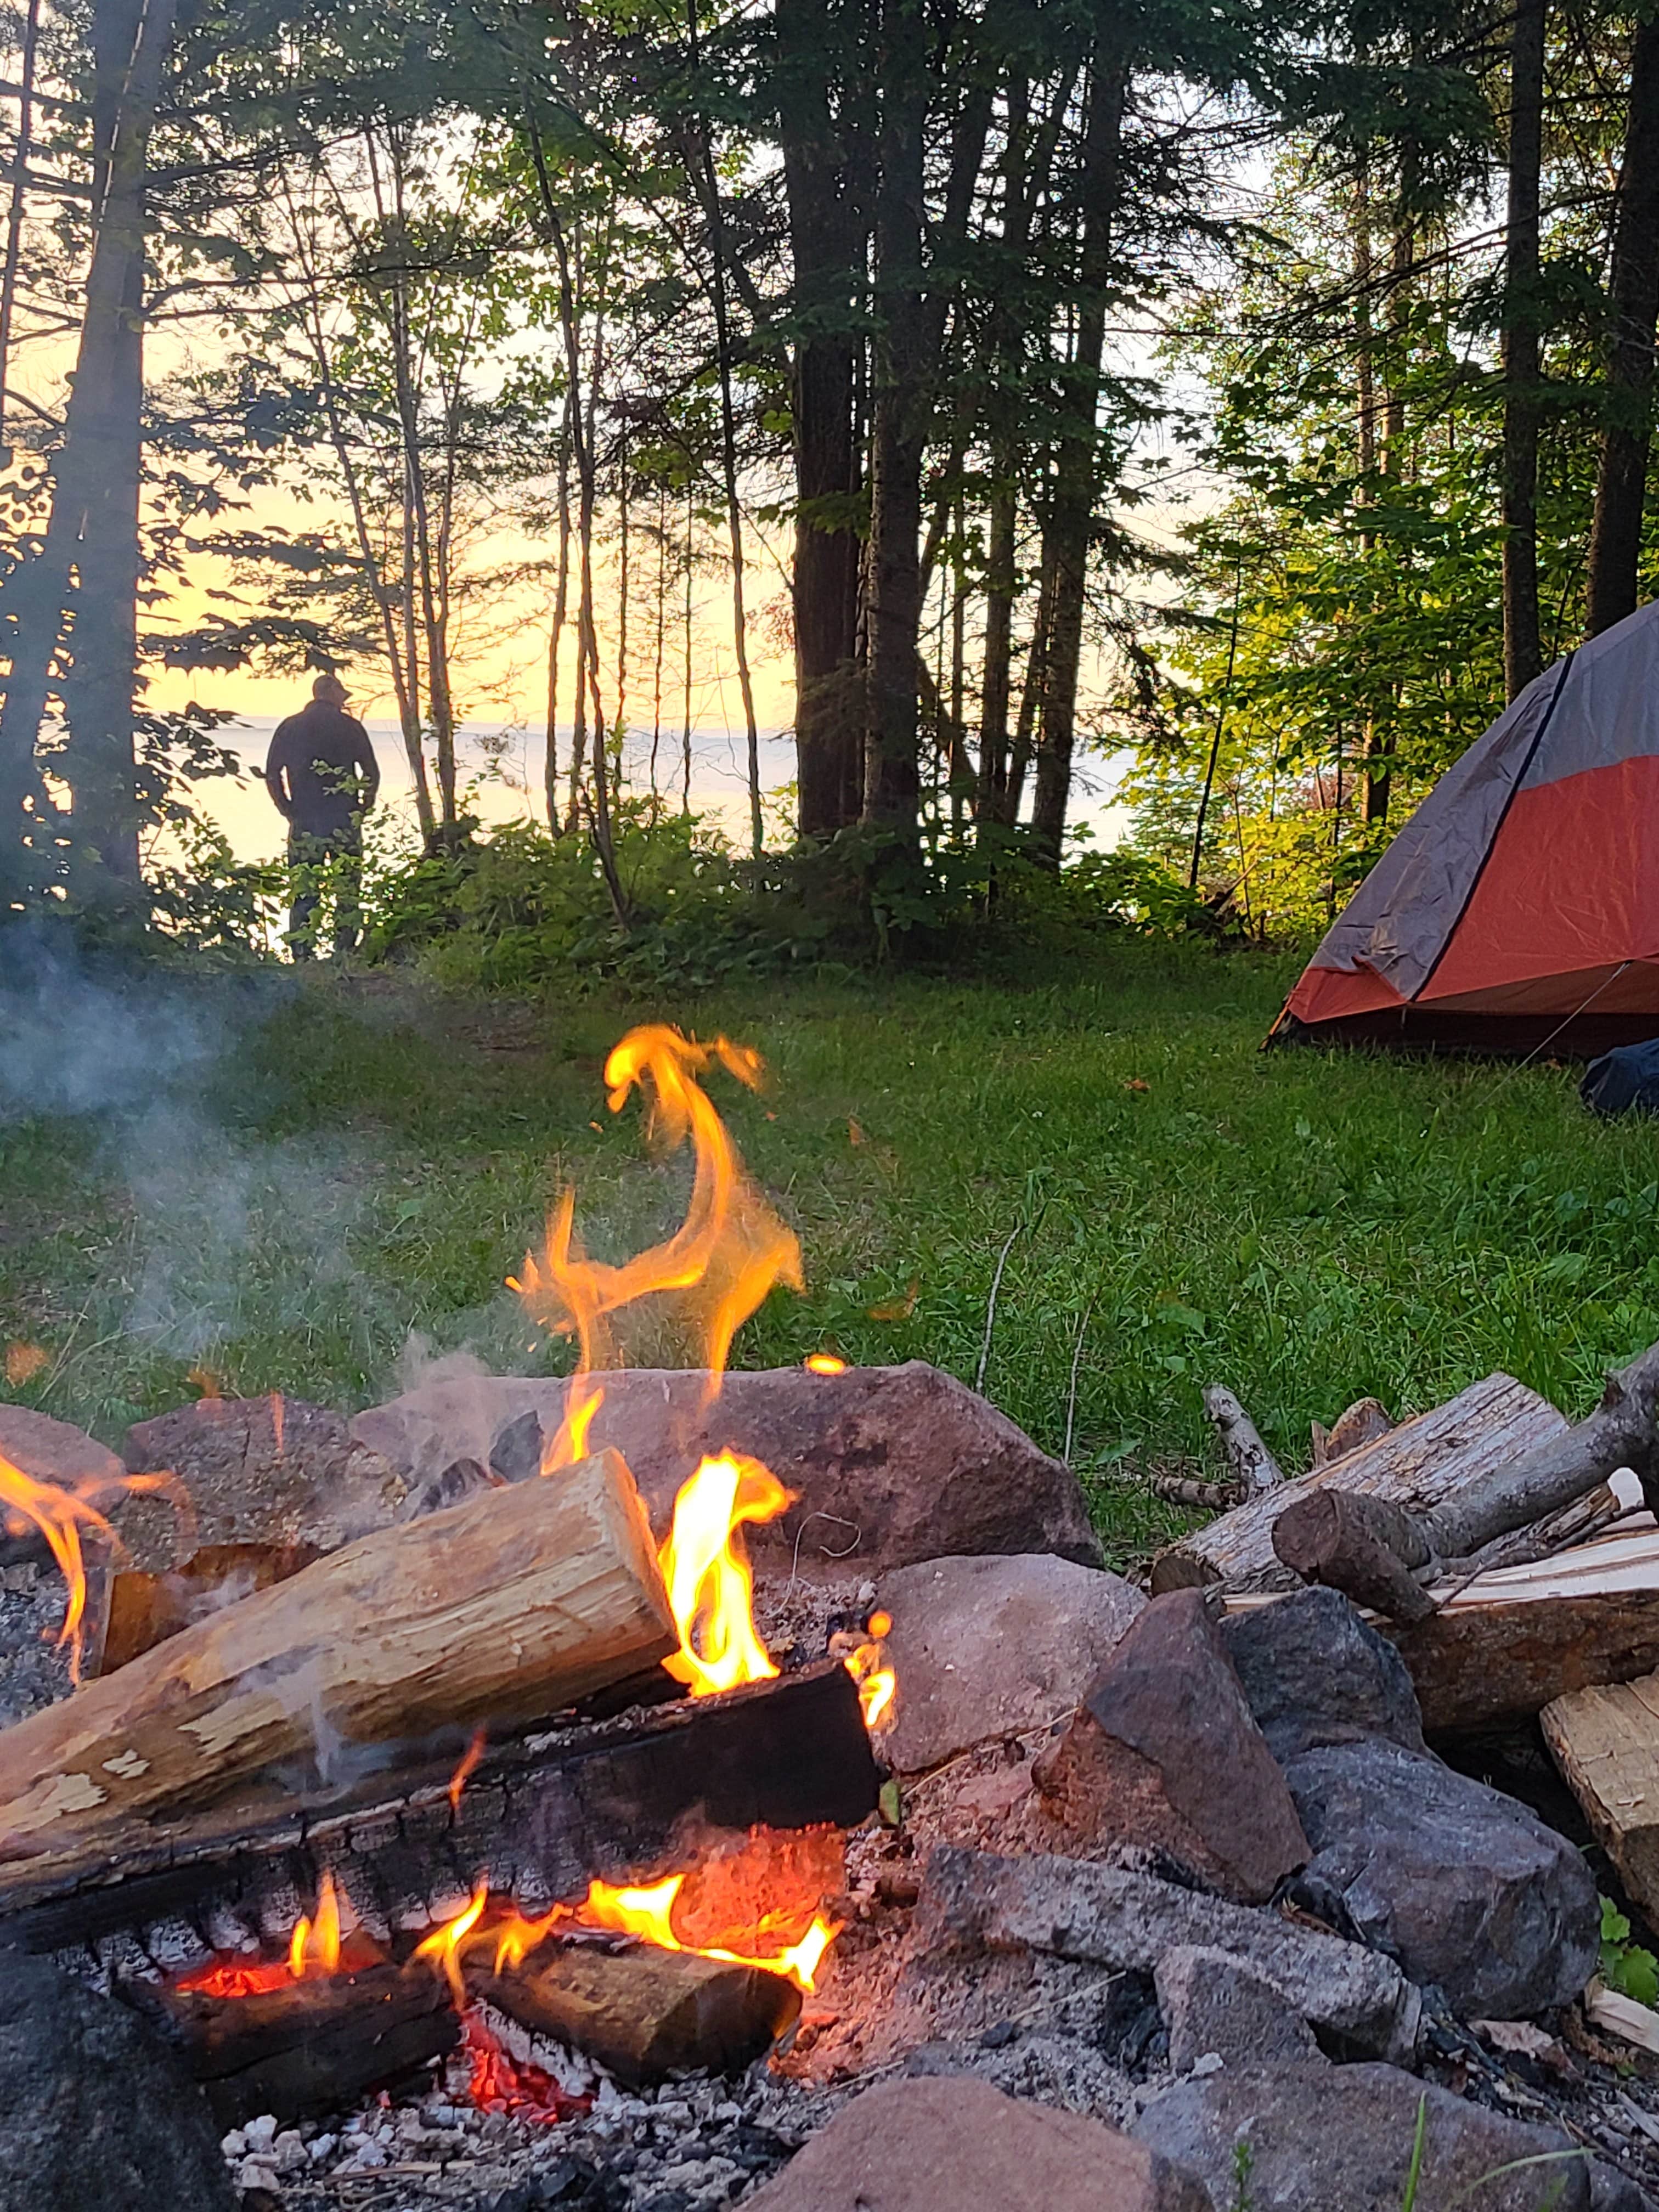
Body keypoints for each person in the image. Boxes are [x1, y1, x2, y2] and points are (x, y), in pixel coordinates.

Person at [265, 674, 380, 958]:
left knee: (304, 888)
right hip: (344, 820)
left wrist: (287, 808)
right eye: (343, 695)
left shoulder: (289, 727)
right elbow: (371, 774)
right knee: (347, 888)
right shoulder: (351, 728)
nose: (345, 701)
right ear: (329, 692)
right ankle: (344, 952)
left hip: (305, 820)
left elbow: (271, 773)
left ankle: (302, 954)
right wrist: (363, 807)